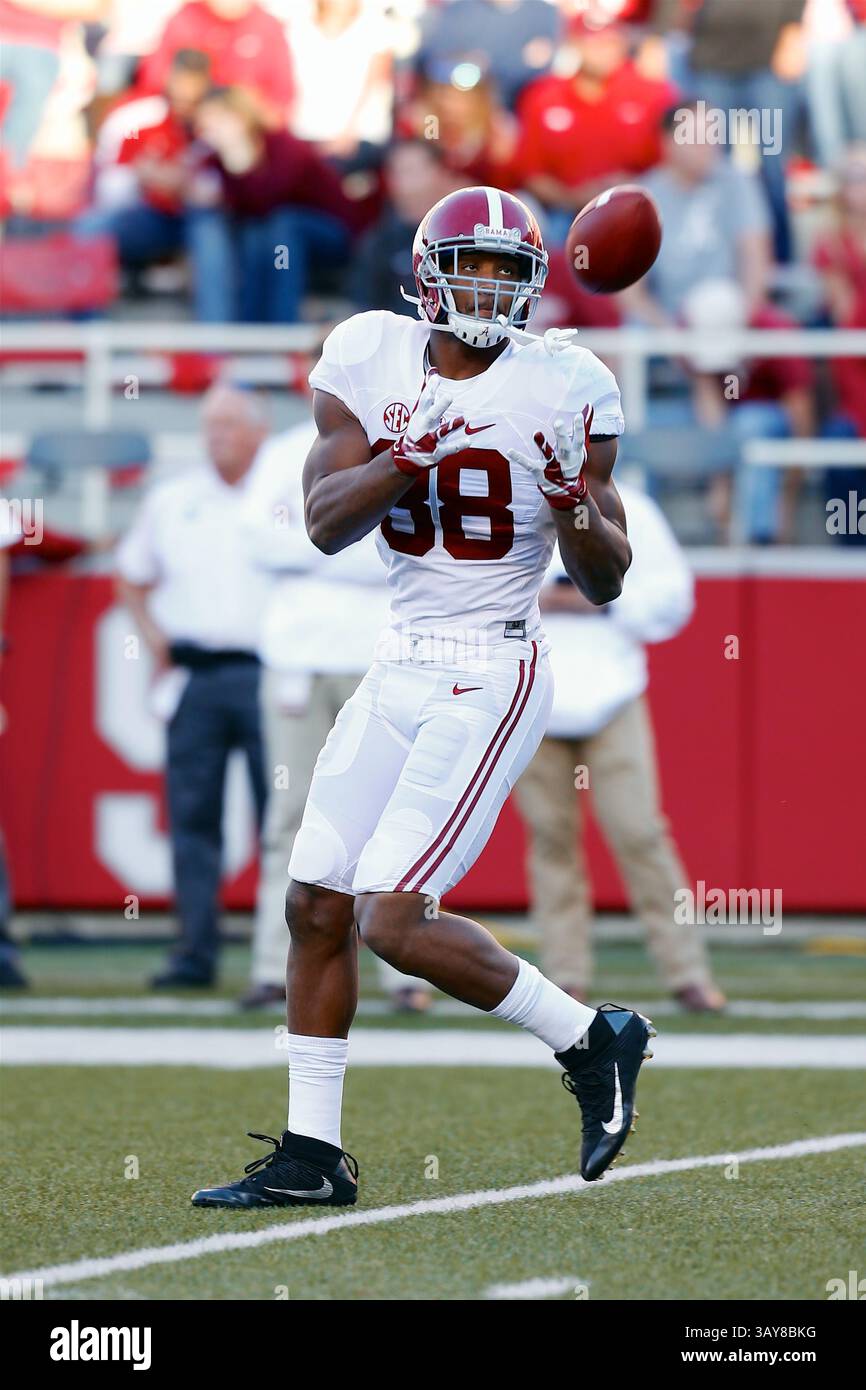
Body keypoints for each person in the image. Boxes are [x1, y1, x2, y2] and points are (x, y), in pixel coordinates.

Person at [191, 184, 657, 1211]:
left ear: (532, 286)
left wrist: (575, 508)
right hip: (397, 654)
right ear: (424, 273)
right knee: (314, 900)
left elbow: (607, 575)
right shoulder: (365, 353)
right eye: (469, 266)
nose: (485, 288)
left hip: (492, 662)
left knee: (391, 919)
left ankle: (589, 1039)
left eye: (505, 271)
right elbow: (321, 521)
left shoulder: (567, 381)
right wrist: (409, 453)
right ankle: (312, 1154)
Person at [515, 480, 725, 1012]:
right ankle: (566, 975)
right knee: (551, 839)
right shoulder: (511, 494)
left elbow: (672, 598)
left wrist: (598, 604)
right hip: (533, 694)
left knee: (640, 833)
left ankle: (687, 971)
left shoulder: (628, 504)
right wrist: (542, 600)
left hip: (611, 695)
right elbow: (479, 588)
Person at [115, 385, 277, 988]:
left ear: (259, 431)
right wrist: (154, 639)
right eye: (209, 426)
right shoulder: (172, 499)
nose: (217, 437)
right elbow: (131, 576)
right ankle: (195, 950)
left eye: (230, 424)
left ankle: (284, 954)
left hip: (270, 672)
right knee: (191, 817)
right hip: (196, 675)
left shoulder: (284, 493)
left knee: (282, 820)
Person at [238, 419, 392, 1009]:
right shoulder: (283, 449)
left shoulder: (398, 440)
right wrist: (341, 538)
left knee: (389, 819)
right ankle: (275, 965)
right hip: (299, 656)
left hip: (378, 654)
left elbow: (401, 548)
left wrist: (325, 542)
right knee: (292, 813)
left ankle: (403, 967)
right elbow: (257, 539)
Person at [188, 86, 358, 322]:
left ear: (239, 118)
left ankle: (281, 329)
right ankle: (254, 331)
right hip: (275, 235)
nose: (209, 132)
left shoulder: (282, 145)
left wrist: (235, 171)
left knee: (281, 227)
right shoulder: (216, 159)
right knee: (256, 234)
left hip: (332, 232)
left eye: (215, 122)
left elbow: (269, 198)